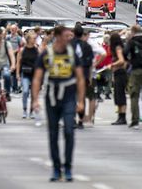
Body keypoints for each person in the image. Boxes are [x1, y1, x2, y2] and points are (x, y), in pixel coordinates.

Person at [31, 25, 85, 183]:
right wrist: (35, 100)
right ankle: (56, 168)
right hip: (52, 96)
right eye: (67, 36)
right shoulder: (46, 55)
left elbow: (81, 78)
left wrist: (81, 101)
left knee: (69, 130)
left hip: (68, 95)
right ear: (58, 36)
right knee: (53, 133)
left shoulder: (72, 54)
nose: (70, 39)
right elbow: (37, 78)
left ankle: (67, 167)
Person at [69, 24, 94, 128]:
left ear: (74, 33)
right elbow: (91, 62)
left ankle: (73, 118)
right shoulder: (87, 46)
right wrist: (89, 76)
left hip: (71, 74)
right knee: (81, 97)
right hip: (84, 74)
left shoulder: (69, 45)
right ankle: (81, 120)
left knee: (71, 97)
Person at [15, 28, 39, 119]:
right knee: (25, 91)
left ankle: (31, 111)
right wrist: (17, 74)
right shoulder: (22, 50)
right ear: (28, 39)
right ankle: (24, 109)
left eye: (35, 38)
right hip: (25, 73)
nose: (34, 40)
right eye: (33, 38)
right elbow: (18, 62)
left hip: (34, 74)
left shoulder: (37, 49)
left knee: (33, 93)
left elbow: (40, 61)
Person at [108, 32, 128, 125]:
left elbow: (121, 60)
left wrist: (112, 64)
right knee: (118, 95)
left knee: (120, 95)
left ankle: (122, 116)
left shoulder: (118, 48)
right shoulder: (119, 47)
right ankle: (120, 116)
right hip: (118, 73)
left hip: (120, 73)